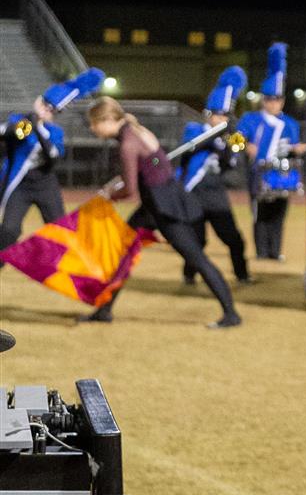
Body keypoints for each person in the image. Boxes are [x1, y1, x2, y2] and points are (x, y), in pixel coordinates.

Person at [84, 97, 241, 328]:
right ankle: (104, 310)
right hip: (156, 204)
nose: (92, 128)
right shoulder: (136, 131)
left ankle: (231, 314)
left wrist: (109, 195)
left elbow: (130, 190)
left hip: (164, 208)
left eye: (94, 123)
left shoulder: (128, 142)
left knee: (196, 258)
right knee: (123, 255)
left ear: (108, 119)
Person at [0, 69, 103, 256]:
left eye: (51, 109)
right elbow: (13, 133)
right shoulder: (21, 121)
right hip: (21, 186)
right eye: (44, 104)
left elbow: (52, 157)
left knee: (60, 228)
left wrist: (37, 128)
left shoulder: (54, 133)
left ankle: (63, 264)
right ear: (38, 100)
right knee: (9, 230)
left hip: (45, 185)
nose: (46, 109)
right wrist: (30, 122)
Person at [179, 66, 252, 286]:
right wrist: (220, 136)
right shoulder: (194, 129)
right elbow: (194, 144)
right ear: (209, 114)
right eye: (220, 114)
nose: (223, 119)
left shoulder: (229, 136)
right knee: (197, 241)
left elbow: (239, 152)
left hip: (216, 194)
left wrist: (233, 135)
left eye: (227, 115)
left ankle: (243, 276)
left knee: (235, 240)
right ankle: (189, 276)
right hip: (193, 193)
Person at [238, 43, 306, 261]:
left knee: (279, 213)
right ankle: (261, 253)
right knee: (260, 214)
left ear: (283, 101)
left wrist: (298, 150)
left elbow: (292, 148)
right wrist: (245, 146)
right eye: (269, 99)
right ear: (263, 100)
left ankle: (275, 251)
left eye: (277, 99)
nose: (274, 103)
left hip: (282, 175)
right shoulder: (251, 119)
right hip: (258, 174)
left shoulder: (290, 124)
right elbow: (233, 139)